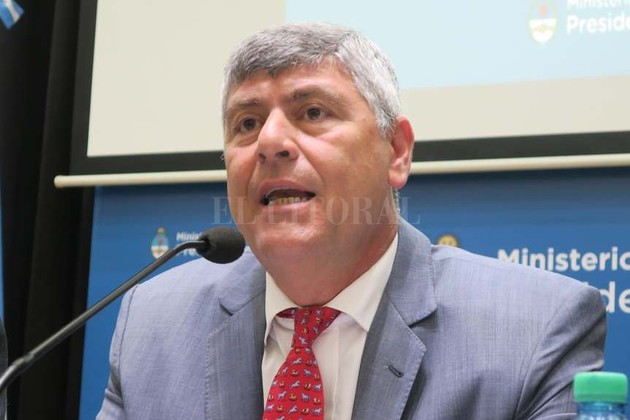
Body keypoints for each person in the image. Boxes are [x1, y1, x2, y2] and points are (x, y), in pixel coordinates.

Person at [97, 22, 606, 419]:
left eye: (313, 112)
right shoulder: (153, 324)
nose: (270, 142)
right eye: (247, 123)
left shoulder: (535, 331)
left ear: (396, 151)